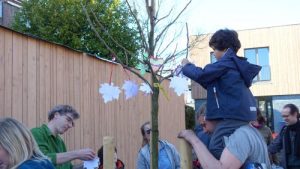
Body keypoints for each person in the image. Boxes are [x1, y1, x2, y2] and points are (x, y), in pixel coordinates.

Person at [181, 29, 261, 159]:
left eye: (214, 50)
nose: (214, 54)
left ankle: (233, 163)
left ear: (224, 49)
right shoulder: (233, 66)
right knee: (226, 142)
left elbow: (201, 75)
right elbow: (210, 83)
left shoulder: (225, 63)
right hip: (240, 114)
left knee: (215, 146)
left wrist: (186, 66)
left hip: (231, 115)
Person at [178, 120, 271, 169]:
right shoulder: (249, 131)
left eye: (204, 125)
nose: (204, 130)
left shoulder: (242, 135)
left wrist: (193, 139)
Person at [31, 105, 96, 169]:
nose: (70, 125)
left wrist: (89, 165)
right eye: (68, 119)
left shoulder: (60, 141)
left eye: (72, 123)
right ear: (56, 115)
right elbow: (43, 159)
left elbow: (69, 167)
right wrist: (77, 154)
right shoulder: (37, 133)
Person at [268, 104, 300, 169]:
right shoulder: (284, 130)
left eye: (286, 116)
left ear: (295, 114)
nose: (284, 119)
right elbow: (275, 145)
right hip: (287, 166)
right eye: (283, 116)